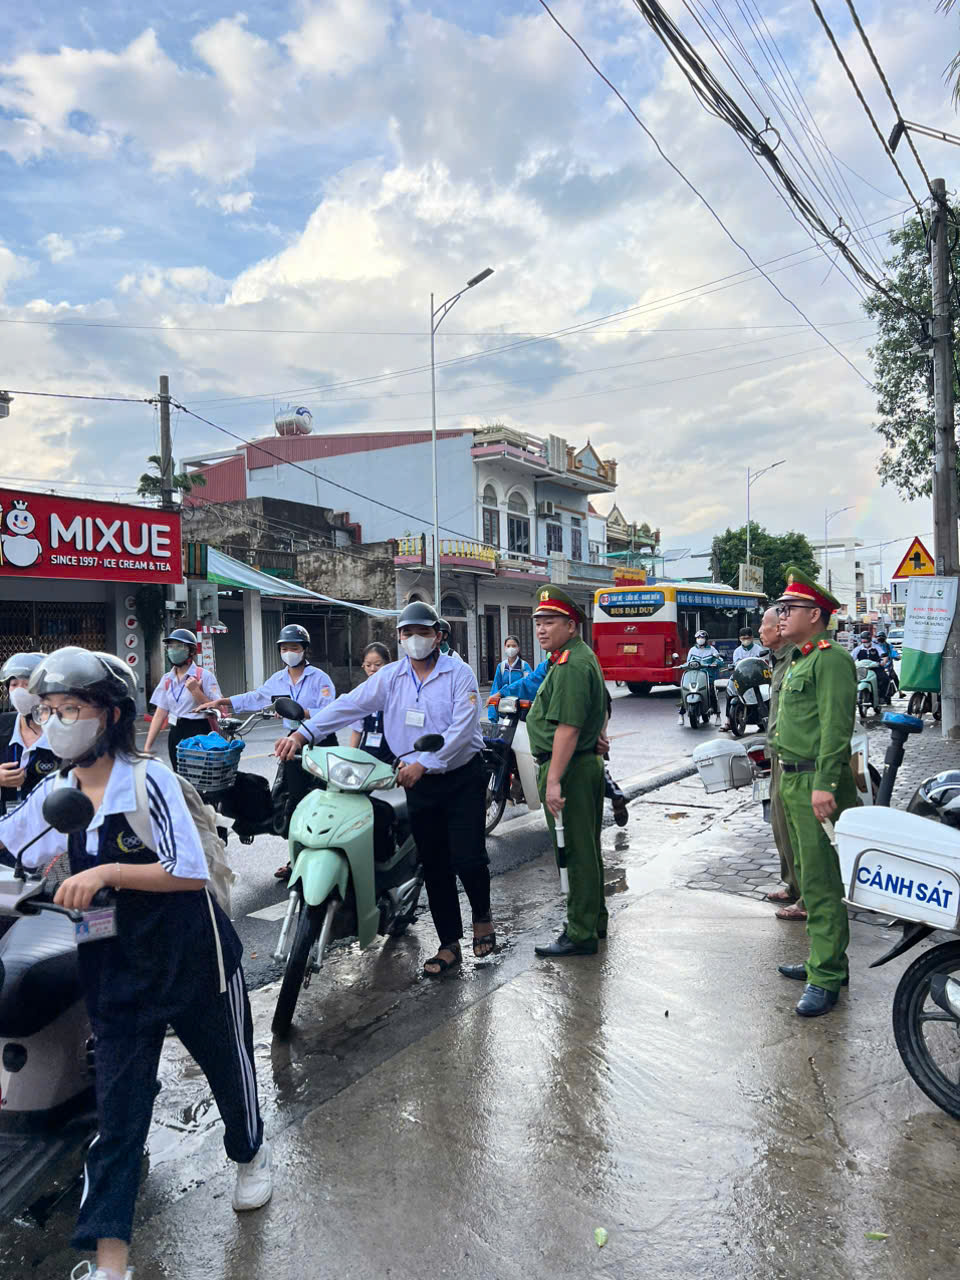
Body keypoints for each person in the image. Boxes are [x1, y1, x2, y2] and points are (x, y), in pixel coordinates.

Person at [0, 648, 271, 1280]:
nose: (58, 721)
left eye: (72, 710)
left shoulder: (148, 781)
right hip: (114, 965)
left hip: (191, 956)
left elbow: (187, 870)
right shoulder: (57, 788)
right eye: (50, 710)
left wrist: (105, 872)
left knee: (228, 1071)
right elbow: (10, 839)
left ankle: (250, 1155)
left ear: (111, 715)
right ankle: (111, 1262)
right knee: (118, 1118)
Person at [274, 601, 494, 977]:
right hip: (416, 779)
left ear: (438, 635)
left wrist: (425, 763)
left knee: (467, 858)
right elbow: (349, 705)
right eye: (406, 633)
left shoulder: (459, 673)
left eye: (421, 633)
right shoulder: (391, 676)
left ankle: (483, 917)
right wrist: (302, 732)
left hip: (460, 776)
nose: (413, 640)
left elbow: (462, 729)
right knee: (435, 863)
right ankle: (449, 944)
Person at [770, 568, 857, 1017]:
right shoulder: (801, 658)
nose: (782, 616)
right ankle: (826, 961)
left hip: (816, 782)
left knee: (822, 881)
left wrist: (825, 782)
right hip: (792, 778)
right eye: (781, 609)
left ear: (817, 615)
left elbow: (836, 728)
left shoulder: (831, 659)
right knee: (807, 873)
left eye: (790, 609)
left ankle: (825, 980)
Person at [199, 623, 338, 875]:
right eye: (284, 648)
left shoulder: (320, 679)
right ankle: (297, 860)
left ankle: (328, 857)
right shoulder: (278, 679)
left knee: (323, 801)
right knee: (294, 801)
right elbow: (257, 697)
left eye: (294, 647)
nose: (289, 652)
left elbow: (331, 711)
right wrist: (225, 701)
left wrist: (303, 712)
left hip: (322, 742)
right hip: (292, 743)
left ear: (304, 649)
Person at [526, 586, 608, 958]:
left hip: (570, 767)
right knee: (587, 849)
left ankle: (579, 932)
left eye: (550, 622)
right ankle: (594, 920)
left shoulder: (572, 663)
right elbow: (603, 703)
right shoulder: (571, 657)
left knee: (575, 851)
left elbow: (568, 727)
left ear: (571, 625)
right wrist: (601, 733)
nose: (541, 629)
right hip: (581, 762)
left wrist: (554, 779)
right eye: (538, 622)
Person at [488, 659, 629, 826]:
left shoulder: (578, 658)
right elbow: (532, 681)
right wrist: (503, 693)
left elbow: (589, 695)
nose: (542, 632)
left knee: (583, 755)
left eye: (547, 630)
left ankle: (616, 795)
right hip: (562, 709)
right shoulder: (551, 661)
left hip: (593, 707)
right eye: (540, 630)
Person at [757, 606, 805, 922]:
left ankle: (806, 895)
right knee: (779, 824)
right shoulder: (776, 662)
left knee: (798, 831)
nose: (760, 629)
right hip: (778, 755)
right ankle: (792, 884)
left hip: (799, 760)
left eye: (764, 624)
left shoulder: (799, 660)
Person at [143, 629, 222, 772]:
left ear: (191, 651)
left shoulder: (203, 675)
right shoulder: (167, 679)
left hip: (198, 731)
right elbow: (160, 714)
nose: (174, 650)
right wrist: (147, 746)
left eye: (179, 646)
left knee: (199, 779)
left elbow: (219, 710)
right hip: (176, 732)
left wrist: (196, 692)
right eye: (171, 647)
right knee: (180, 778)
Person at [0, 651, 58, 817]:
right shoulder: (3, 724)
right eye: (14, 684)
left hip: (51, 825)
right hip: (7, 827)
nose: (19, 691)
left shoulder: (62, 731)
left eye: (26, 685)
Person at [348, 642, 394, 763]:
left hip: (392, 754)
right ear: (363, 665)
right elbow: (357, 730)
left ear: (388, 665)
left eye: (378, 665)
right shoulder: (361, 692)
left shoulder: (396, 691)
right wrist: (350, 757)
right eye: (368, 665)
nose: (373, 669)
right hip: (366, 754)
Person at [679, 629, 723, 722]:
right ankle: (681, 713)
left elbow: (719, 660)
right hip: (694, 676)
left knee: (711, 691)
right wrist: (682, 666)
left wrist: (715, 663)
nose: (700, 639)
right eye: (698, 637)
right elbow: (688, 662)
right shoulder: (692, 650)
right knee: (685, 690)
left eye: (702, 637)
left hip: (707, 676)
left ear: (706, 639)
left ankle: (717, 715)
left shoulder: (711, 649)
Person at [487, 635, 534, 720]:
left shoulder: (524, 666)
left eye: (514, 646)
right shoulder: (501, 667)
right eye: (508, 646)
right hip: (505, 708)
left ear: (518, 648)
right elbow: (495, 689)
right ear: (504, 648)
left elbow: (529, 685)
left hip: (521, 709)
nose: (511, 648)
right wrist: (493, 718)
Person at [851, 631, 892, 705]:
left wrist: (883, 662)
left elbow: (884, 656)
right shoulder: (858, 649)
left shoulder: (876, 647)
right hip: (862, 669)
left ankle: (881, 697)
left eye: (866, 640)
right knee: (852, 680)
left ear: (870, 639)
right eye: (863, 640)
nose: (865, 642)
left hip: (876, 668)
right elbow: (851, 658)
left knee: (885, 679)